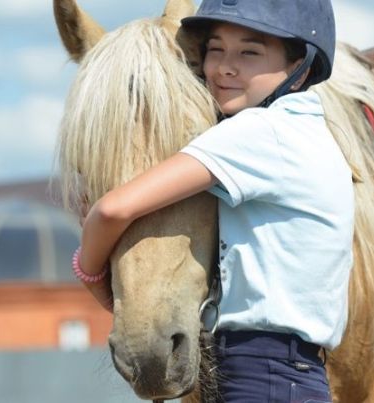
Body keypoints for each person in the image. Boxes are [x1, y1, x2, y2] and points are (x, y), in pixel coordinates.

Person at [75, 0, 352, 401]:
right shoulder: (306, 133)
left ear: (301, 67)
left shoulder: (260, 132)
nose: (224, 67)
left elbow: (114, 208)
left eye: (250, 52)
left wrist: (91, 273)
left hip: (262, 376)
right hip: (288, 373)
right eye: (215, 49)